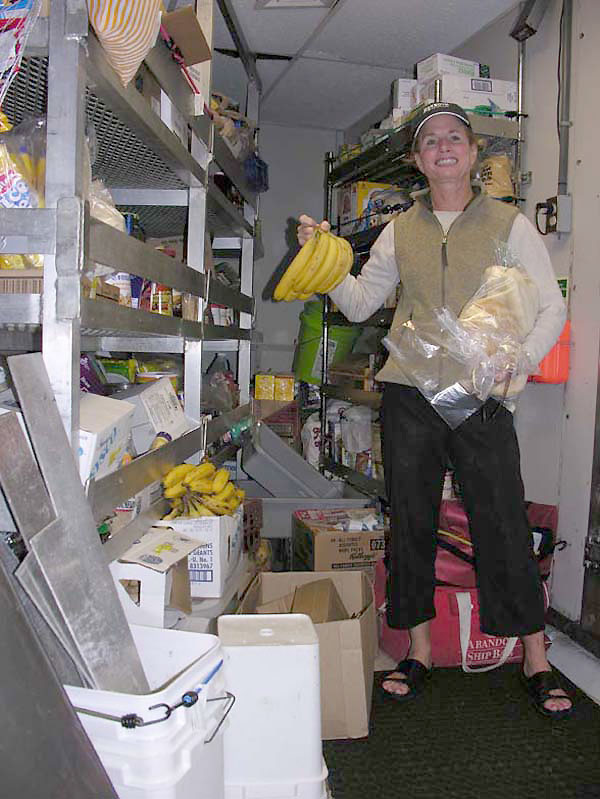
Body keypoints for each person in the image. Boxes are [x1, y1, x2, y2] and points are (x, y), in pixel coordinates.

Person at [297, 102, 572, 719]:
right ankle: (417, 650)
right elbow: (365, 302)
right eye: (430, 142)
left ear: (473, 154)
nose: (443, 148)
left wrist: (520, 360)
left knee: (501, 519)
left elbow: (551, 308)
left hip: (482, 394)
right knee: (412, 519)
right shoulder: (401, 228)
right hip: (412, 392)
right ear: (417, 161)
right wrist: (326, 261)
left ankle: (535, 656)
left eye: (455, 138)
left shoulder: (511, 223)